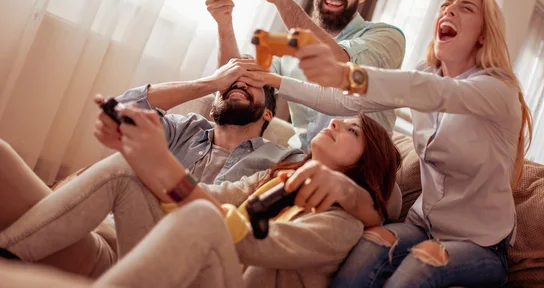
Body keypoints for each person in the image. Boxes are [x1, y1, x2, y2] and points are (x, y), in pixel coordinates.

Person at [0, 57, 401, 279]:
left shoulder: (334, 213)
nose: (333, 122)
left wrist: (356, 195)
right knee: (122, 169)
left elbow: (244, 241)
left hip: (206, 270)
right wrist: (143, 157)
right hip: (137, 243)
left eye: (352, 130)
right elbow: (208, 195)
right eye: (340, 119)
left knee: (202, 221)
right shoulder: (274, 177)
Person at [265, 0, 533, 287]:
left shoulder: (498, 90)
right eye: (446, 5)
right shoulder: (425, 72)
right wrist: (274, 82)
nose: (449, 11)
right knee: (371, 242)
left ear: (484, 35)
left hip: (481, 244)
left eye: (466, 8)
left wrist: (348, 74)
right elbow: (343, 100)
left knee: (423, 261)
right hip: (422, 224)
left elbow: (434, 91)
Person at [202, 0, 406, 151]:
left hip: (358, 169)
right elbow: (236, 78)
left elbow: (337, 61)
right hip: (298, 159)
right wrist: (224, 22)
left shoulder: (387, 37)